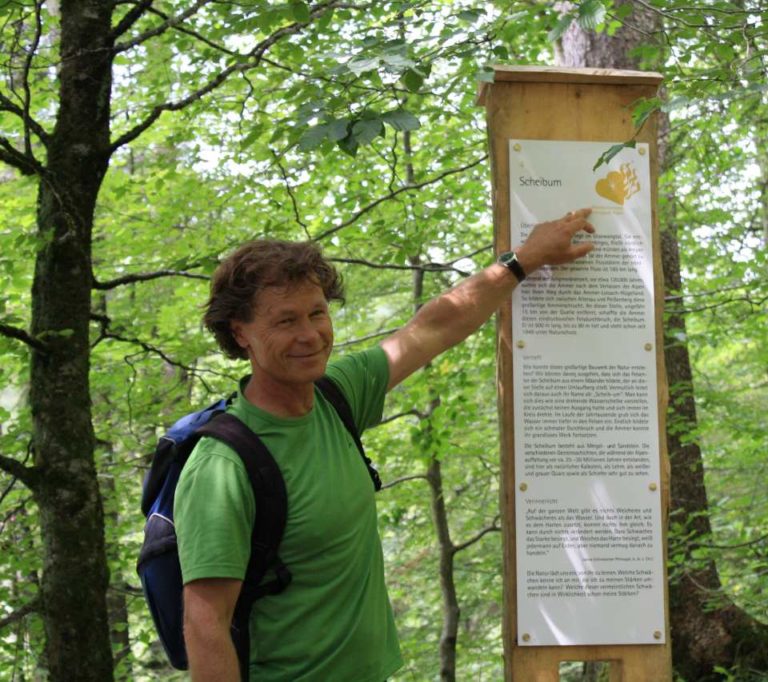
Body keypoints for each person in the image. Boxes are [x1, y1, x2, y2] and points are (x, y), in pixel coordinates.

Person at [174, 209, 595, 681]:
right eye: (285, 321)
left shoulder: (336, 396)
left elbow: (433, 327)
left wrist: (523, 260)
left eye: (317, 313)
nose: (309, 335)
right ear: (240, 332)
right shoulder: (222, 467)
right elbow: (204, 623)